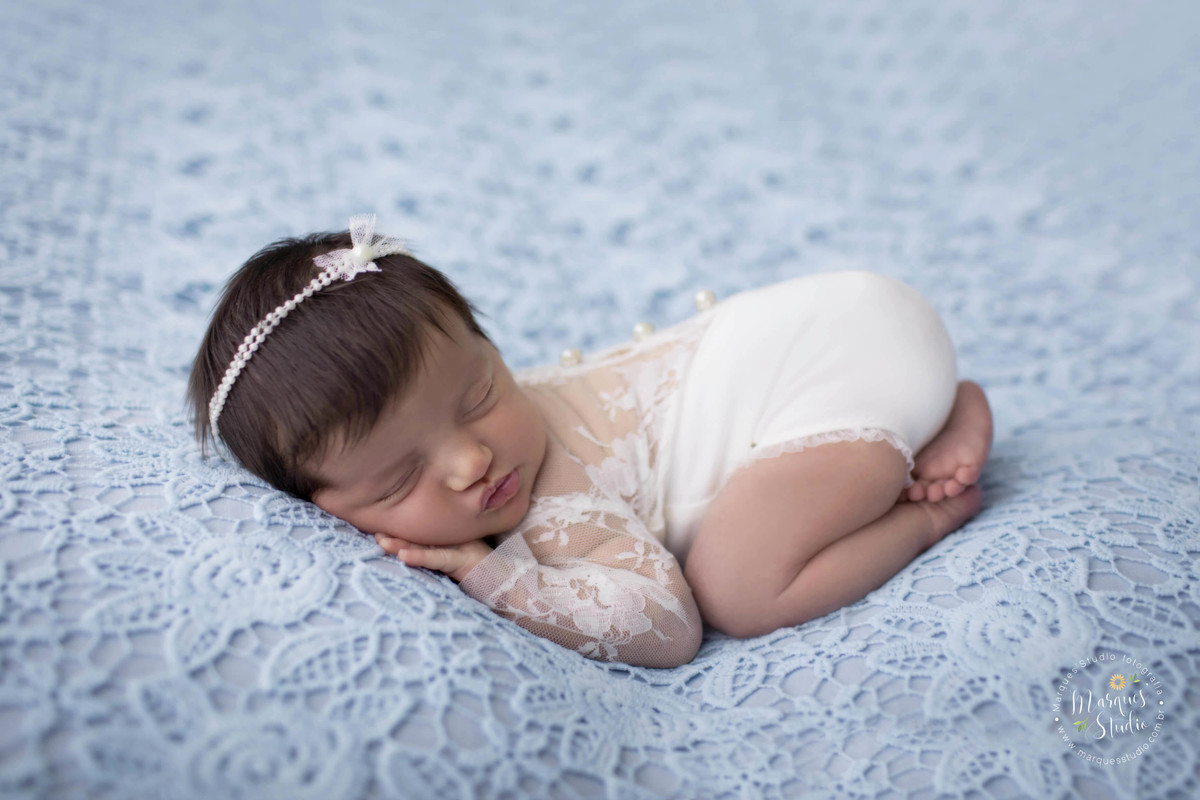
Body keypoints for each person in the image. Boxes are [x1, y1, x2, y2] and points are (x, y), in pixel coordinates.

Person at [188, 215, 993, 669]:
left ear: (490, 350)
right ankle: (936, 409)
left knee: (738, 589)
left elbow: (670, 626)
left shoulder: (558, 499)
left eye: (479, 395)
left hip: (839, 364)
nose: (474, 462)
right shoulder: (489, 444)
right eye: (400, 480)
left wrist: (498, 578)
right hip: (846, 317)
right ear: (324, 510)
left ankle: (923, 506)